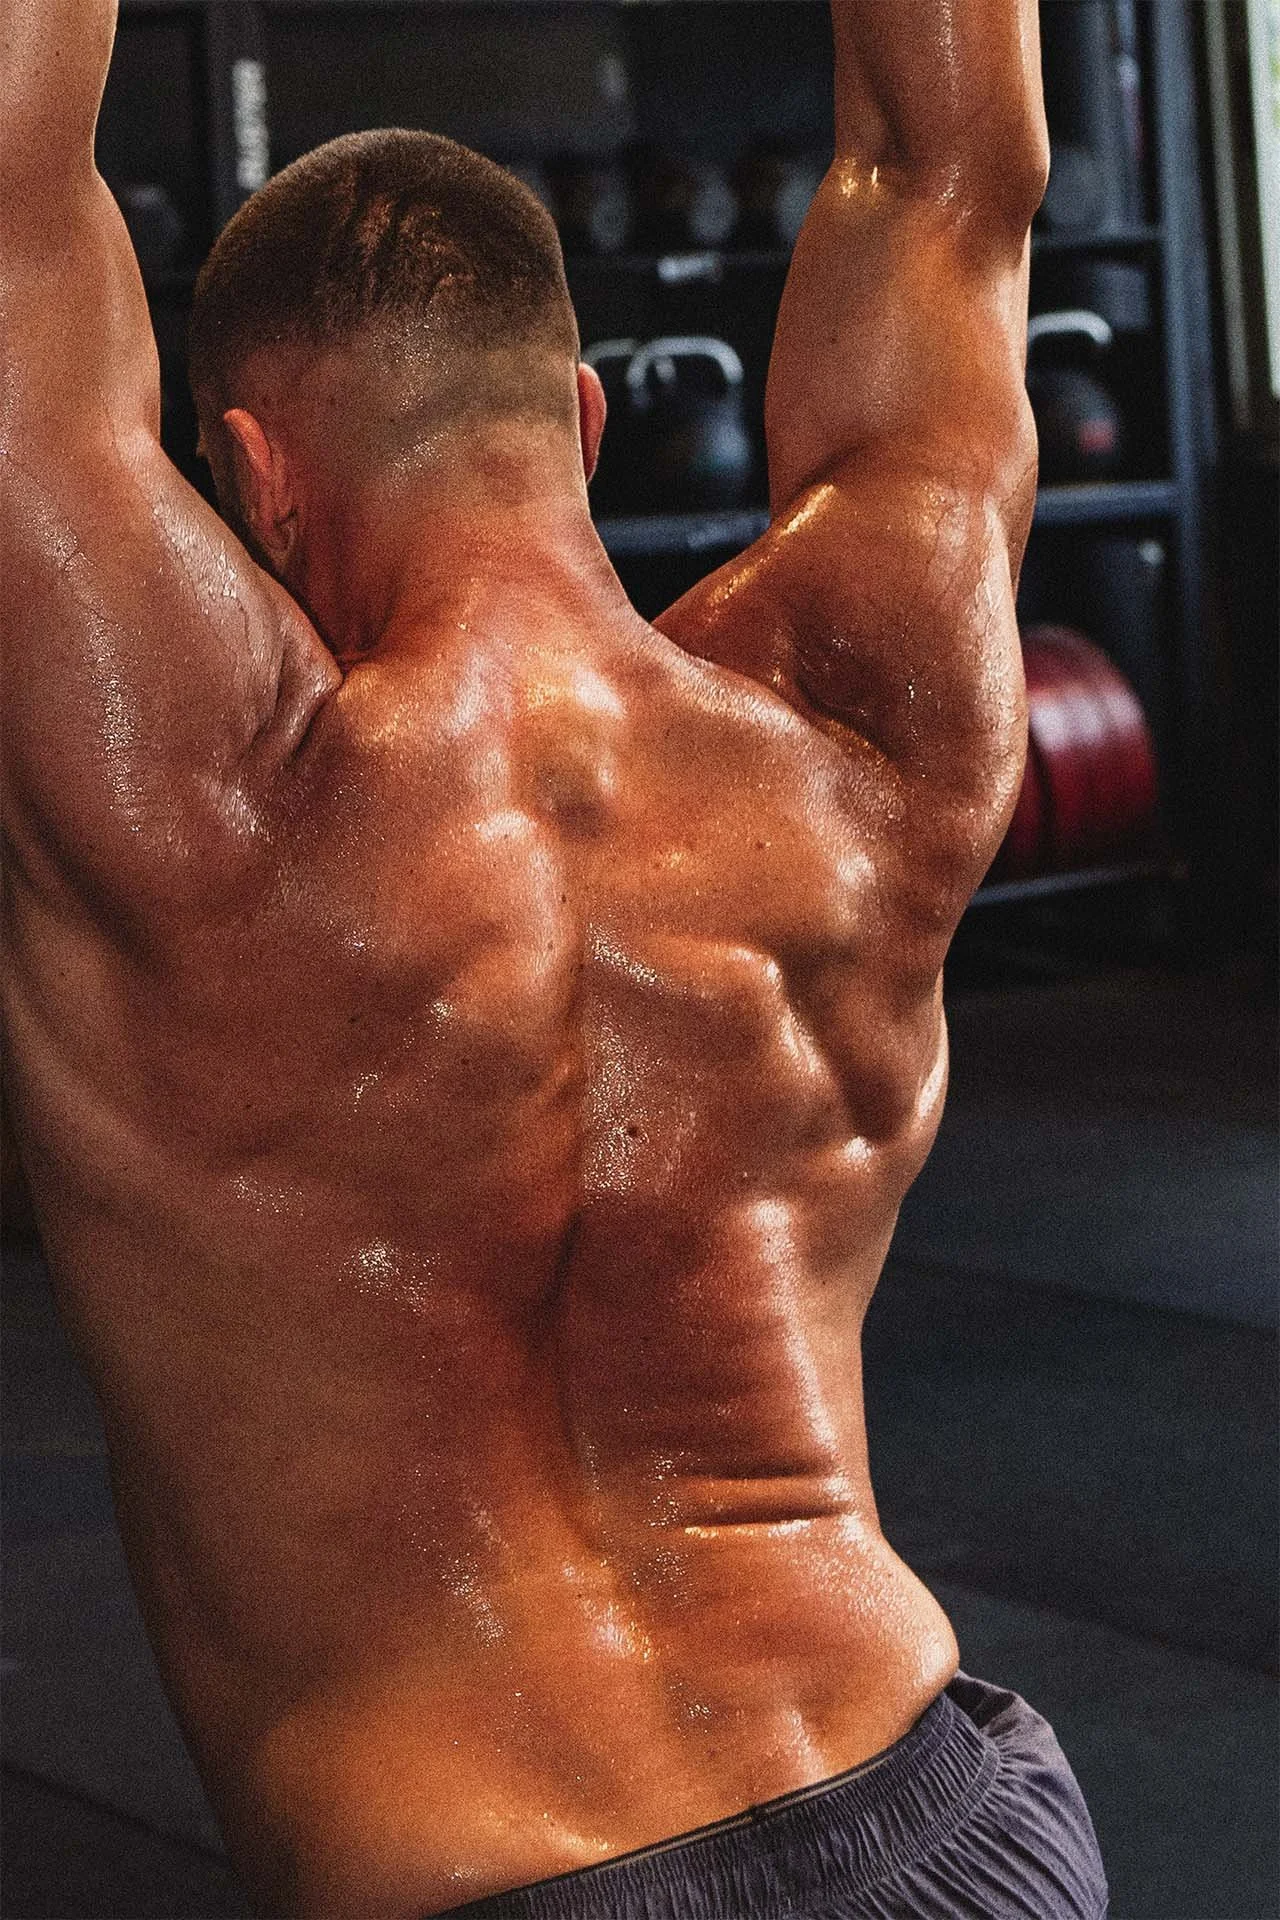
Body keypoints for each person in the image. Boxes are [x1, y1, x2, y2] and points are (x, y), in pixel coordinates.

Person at [1, 1, 1109, 1914]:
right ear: (587, 416)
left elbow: (13, 215)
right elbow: (952, 186)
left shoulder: (195, 813)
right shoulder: (859, 748)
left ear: (259, 482)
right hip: (940, 1812)